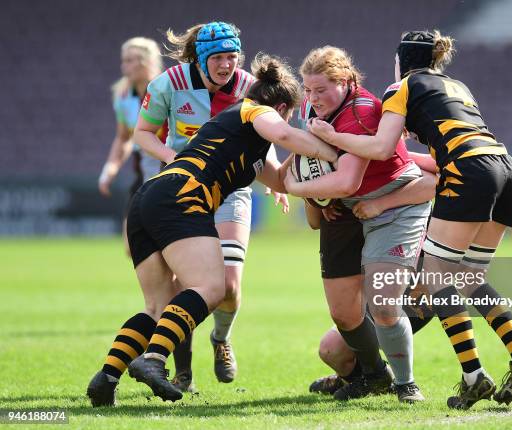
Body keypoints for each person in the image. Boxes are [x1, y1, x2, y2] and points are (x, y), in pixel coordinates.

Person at [308, 30, 512, 409]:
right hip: (504, 168)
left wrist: (333, 135)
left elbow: (382, 147)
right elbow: (410, 153)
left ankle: (473, 377)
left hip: (467, 172)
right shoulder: (455, 84)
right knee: (468, 279)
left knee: (437, 278)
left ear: (401, 60)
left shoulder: (400, 86)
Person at [86, 53, 338, 406]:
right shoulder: (253, 110)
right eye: (292, 112)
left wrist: (312, 175)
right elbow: (283, 133)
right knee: (210, 286)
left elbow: (281, 179)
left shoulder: (243, 137)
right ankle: (155, 360)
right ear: (282, 106)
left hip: (151, 197)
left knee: (157, 306)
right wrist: (335, 153)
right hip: (183, 196)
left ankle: (105, 379)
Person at [133, 22, 289, 391]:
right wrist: (173, 157)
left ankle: (220, 339)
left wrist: (278, 179)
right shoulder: (169, 83)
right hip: (182, 190)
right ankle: (182, 372)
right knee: (186, 286)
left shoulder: (249, 87)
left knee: (230, 287)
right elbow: (142, 133)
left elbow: (264, 133)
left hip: (231, 189)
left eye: (232, 57)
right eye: (218, 57)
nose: (226, 65)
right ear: (201, 58)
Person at [284, 46, 434, 403]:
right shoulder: (312, 108)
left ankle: (405, 384)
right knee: (336, 334)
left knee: (384, 304)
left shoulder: (364, 111)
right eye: (308, 90)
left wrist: (296, 187)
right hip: (354, 209)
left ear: (346, 81)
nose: (312, 99)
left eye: (321, 90)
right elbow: (313, 165)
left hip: (396, 207)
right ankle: (369, 376)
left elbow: (347, 181)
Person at [98, 37, 165, 255]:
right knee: (132, 245)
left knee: (168, 241)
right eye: (123, 60)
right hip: (143, 171)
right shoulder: (123, 96)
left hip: (169, 168)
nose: (123, 66)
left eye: (130, 60)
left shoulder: (167, 90)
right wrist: (111, 167)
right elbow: (123, 137)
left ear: (146, 62)